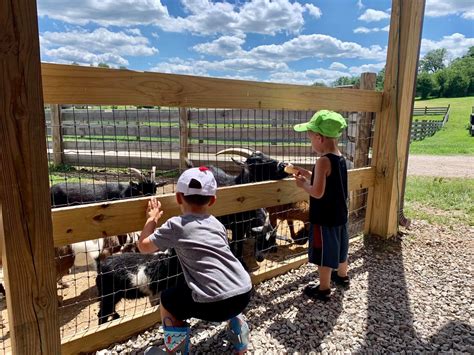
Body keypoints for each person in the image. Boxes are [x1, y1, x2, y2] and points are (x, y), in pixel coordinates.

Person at [137, 166, 252, 354]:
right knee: (225, 284)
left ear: (178, 197)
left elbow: (143, 246)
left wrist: (152, 218)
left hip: (213, 305)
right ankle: (240, 337)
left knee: (167, 300)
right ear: (213, 200)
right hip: (243, 294)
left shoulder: (176, 225)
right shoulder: (217, 224)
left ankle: (176, 350)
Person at [291, 110, 350, 301]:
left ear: (319, 138)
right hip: (340, 215)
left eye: (310, 139)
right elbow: (328, 180)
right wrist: (308, 174)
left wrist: (302, 184)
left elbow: (317, 192)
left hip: (324, 218)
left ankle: (323, 289)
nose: (311, 143)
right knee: (341, 247)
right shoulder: (339, 157)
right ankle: (342, 276)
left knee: (324, 253)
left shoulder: (323, 160)